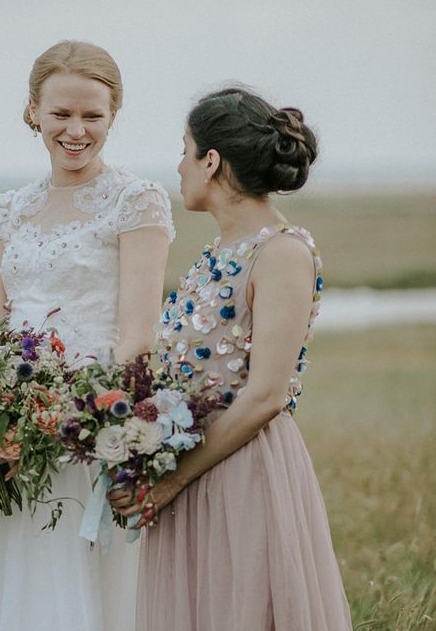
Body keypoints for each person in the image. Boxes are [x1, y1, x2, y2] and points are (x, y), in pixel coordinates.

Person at [0, 41, 175, 631]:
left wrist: (77, 417)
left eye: (92, 115)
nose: (76, 130)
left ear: (113, 115)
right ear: (33, 112)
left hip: (87, 427)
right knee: (4, 577)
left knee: (80, 582)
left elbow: (136, 335)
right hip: (8, 428)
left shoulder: (136, 201)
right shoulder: (11, 209)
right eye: (61, 114)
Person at [110, 87, 352, 630]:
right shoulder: (215, 252)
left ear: (211, 161)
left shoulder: (282, 252)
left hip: (244, 472)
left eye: (185, 149)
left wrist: (172, 481)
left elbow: (265, 393)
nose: (179, 166)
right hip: (191, 466)